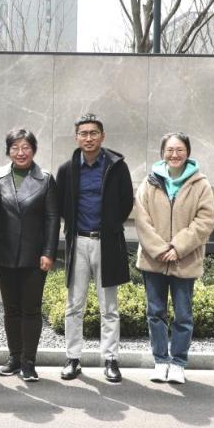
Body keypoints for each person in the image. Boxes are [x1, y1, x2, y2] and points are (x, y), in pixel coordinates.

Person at [55, 113, 134, 383]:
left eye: (93, 133)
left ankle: (110, 359)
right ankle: (72, 359)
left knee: (108, 306)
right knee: (74, 305)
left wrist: (110, 226)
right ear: (76, 137)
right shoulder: (67, 169)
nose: (88, 138)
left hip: (106, 243)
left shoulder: (116, 166)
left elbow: (126, 202)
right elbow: (61, 205)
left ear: (102, 136)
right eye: (83, 133)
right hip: (78, 241)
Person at [134, 132, 214, 385]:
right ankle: (160, 361)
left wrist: (178, 247)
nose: (174, 154)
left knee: (183, 315)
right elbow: (141, 219)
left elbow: (205, 220)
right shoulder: (149, 182)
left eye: (180, 150)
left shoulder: (200, 184)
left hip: (185, 259)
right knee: (155, 313)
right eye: (170, 150)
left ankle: (178, 363)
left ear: (187, 153)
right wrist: (160, 249)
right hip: (154, 260)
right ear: (162, 153)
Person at [0, 128, 59, 382]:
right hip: (5, 253)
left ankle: (28, 362)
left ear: (34, 150)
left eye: (26, 147)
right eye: (15, 148)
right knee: (11, 309)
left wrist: (49, 252)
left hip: (34, 255)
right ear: (8, 151)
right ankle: (14, 357)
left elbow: (52, 219)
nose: (20, 153)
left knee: (31, 309)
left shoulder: (46, 179)